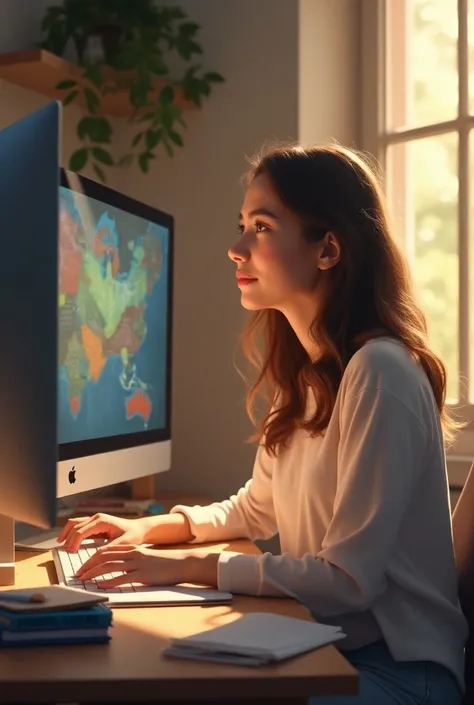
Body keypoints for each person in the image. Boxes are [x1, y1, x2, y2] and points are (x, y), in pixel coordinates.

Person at [58, 144, 468, 705]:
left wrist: (190, 568)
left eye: (261, 227)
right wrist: (149, 531)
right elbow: (254, 509)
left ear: (328, 249)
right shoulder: (308, 376)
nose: (235, 248)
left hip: (400, 672)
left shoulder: (381, 371)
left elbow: (349, 581)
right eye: (243, 226)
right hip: (334, 646)